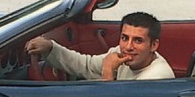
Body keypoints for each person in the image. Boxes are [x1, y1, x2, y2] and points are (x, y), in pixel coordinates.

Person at [25, 12, 174, 81]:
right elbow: (87, 65)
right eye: (124, 38)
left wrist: (108, 70)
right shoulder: (121, 54)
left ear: (153, 45)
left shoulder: (157, 77)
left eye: (138, 41)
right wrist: (51, 47)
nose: (128, 47)